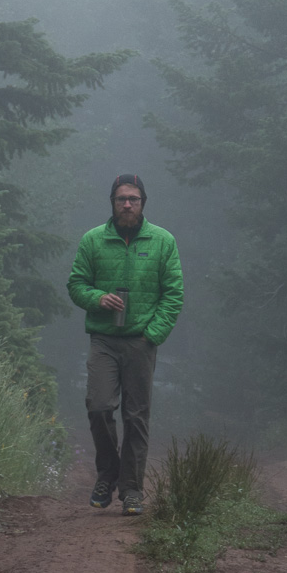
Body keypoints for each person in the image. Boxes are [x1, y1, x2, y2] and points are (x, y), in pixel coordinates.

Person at [66, 173, 183, 516]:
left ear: (143, 202)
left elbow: (173, 294)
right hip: (103, 339)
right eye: (121, 199)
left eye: (133, 198)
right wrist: (98, 298)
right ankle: (108, 474)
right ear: (113, 204)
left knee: (136, 417)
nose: (127, 204)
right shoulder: (93, 240)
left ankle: (132, 489)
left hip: (140, 342)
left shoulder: (162, 241)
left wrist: (153, 335)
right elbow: (75, 284)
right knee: (99, 406)